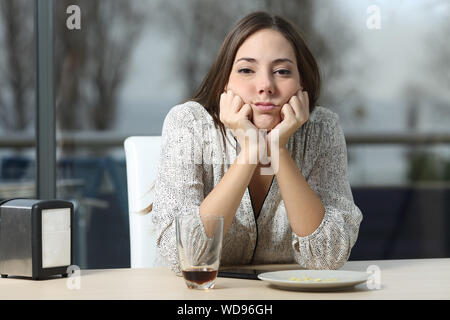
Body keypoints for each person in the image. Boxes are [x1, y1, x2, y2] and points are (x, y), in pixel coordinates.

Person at [152, 11, 363, 275]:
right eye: (246, 70)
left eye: (282, 71)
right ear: (224, 82)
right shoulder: (188, 124)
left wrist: (278, 150)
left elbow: (328, 257)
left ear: (302, 84)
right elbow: (187, 257)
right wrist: (250, 152)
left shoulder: (322, 129)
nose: (265, 85)